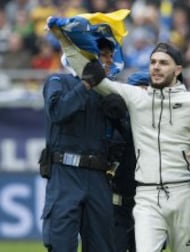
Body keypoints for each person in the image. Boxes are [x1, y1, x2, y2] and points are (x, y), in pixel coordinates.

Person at [49, 23, 190, 252]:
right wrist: (64, 40)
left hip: (182, 193)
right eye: (153, 62)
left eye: (163, 63)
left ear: (177, 70)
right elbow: (93, 76)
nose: (156, 67)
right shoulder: (137, 97)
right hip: (146, 196)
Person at [41, 37, 118, 252]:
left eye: (111, 56)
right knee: (61, 244)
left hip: (99, 176)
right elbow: (57, 112)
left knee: (102, 246)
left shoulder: (109, 92)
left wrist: (121, 114)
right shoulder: (58, 81)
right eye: (103, 55)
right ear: (88, 56)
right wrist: (85, 84)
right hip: (65, 173)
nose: (109, 60)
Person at [104, 71, 150, 252]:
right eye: (139, 89)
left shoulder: (161, 125)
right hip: (117, 205)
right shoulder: (115, 121)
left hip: (148, 207)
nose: (143, 94)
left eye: (147, 89)